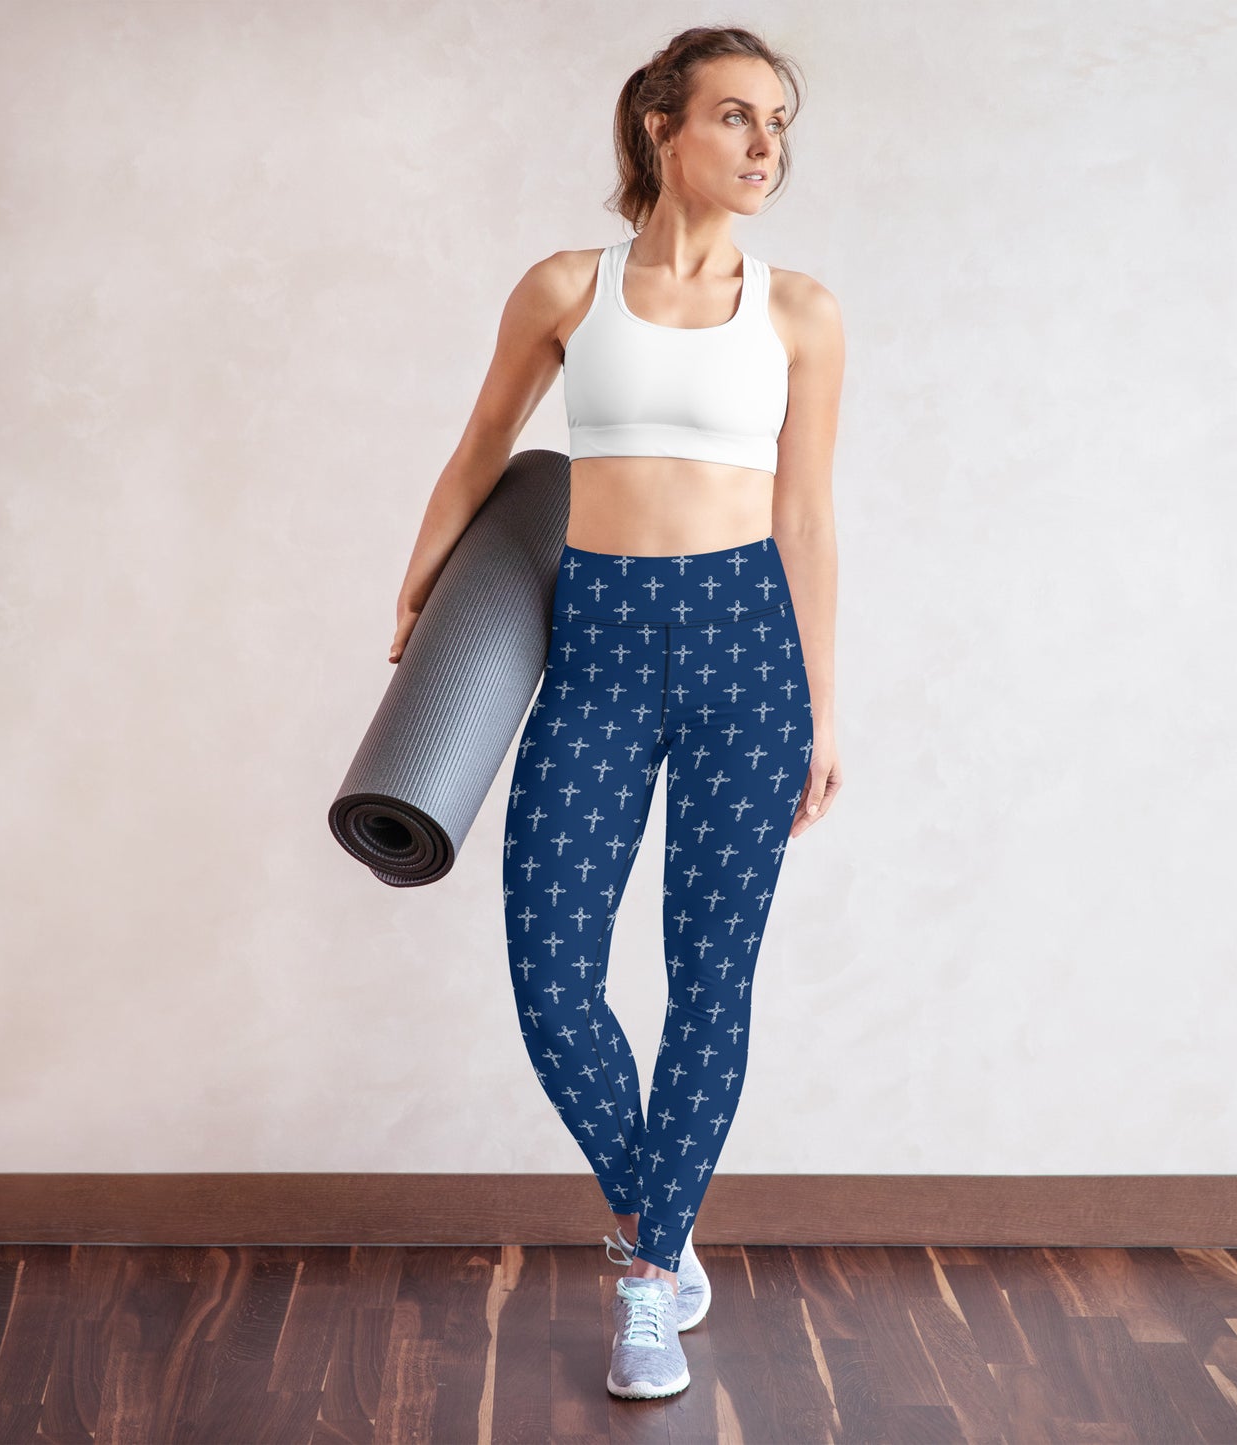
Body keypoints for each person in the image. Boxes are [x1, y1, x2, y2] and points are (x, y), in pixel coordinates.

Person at [390, 24, 843, 1400]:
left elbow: (807, 514)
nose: (765, 145)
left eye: (779, 122)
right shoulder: (564, 288)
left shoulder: (801, 311)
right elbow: (481, 446)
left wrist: (821, 706)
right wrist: (417, 600)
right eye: (736, 117)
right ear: (659, 127)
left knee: (709, 976)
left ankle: (648, 1278)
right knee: (552, 965)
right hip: (593, 632)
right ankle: (667, 1215)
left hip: (743, 648)